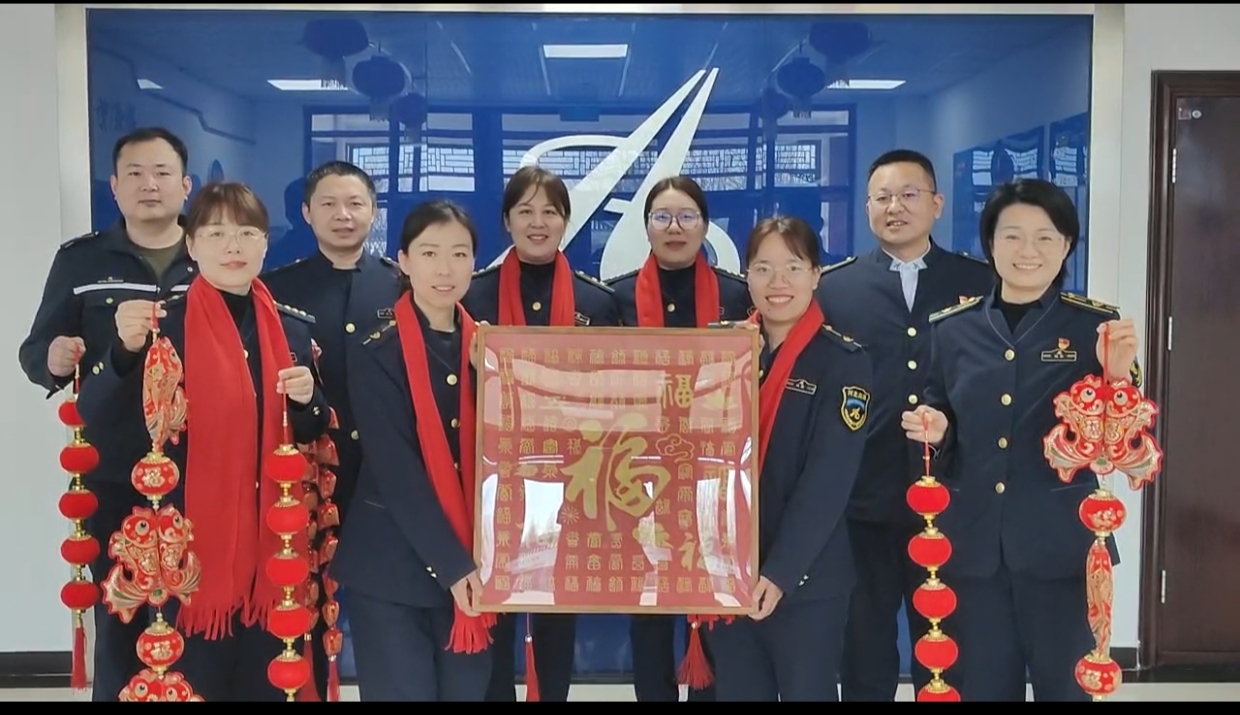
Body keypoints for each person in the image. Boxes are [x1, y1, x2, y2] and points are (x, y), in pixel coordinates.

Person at [76, 181, 332, 701]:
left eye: (247, 233)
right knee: (193, 682)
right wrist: (123, 353)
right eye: (216, 233)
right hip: (183, 555)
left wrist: (309, 402)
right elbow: (95, 417)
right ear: (191, 245)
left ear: (266, 243)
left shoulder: (291, 331)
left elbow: (309, 433)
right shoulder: (159, 327)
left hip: (273, 550)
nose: (233, 246)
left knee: (265, 681)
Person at [901, 178, 1140, 702]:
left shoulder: (1096, 327)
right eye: (1011, 235)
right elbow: (941, 408)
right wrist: (936, 429)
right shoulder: (954, 328)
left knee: (1066, 689)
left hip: (1062, 546)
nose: (1027, 251)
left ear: (1066, 246)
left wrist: (1119, 377)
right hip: (974, 546)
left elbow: (1122, 440)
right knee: (982, 688)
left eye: (1044, 237)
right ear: (990, 243)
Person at [18, 127, 196, 701]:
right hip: (114, 467)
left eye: (163, 173)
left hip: (200, 466)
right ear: (115, 187)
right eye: (135, 174)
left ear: (186, 185)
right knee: (121, 612)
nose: (150, 184)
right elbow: (35, 352)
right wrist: (51, 358)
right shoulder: (82, 260)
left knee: (199, 614)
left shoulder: (213, 253)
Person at [819, 149, 993, 701]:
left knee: (948, 651)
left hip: (952, 502)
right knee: (864, 650)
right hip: (862, 503)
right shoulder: (833, 288)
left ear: (937, 204)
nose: (894, 207)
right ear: (867, 208)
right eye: (882, 197)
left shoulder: (979, 283)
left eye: (908, 195)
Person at [463, 165, 618, 703]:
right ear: (506, 221)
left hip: (571, 480)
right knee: (494, 613)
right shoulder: (473, 297)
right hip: (492, 482)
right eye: (525, 211)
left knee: (558, 611)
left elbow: (614, 396)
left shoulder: (596, 303)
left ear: (566, 221)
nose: (538, 222)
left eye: (550, 211)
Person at [702, 216, 872, 701]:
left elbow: (828, 483)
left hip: (806, 581)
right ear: (746, 276)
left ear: (816, 275)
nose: (778, 282)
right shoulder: (722, 352)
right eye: (763, 268)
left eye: (793, 268)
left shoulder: (843, 361)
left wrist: (779, 574)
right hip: (727, 573)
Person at [329, 200, 493, 701]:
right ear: (403, 260)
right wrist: (454, 566)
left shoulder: (493, 351)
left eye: (459, 254)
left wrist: (492, 377)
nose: (445, 269)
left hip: (479, 566)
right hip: (393, 569)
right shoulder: (376, 350)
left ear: (474, 263)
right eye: (429, 253)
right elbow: (395, 468)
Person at [606, 175, 750, 702]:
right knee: (647, 612)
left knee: (713, 607)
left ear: (705, 227)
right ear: (645, 227)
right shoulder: (616, 298)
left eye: (687, 216)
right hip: (639, 477)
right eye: (662, 217)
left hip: (713, 477)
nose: (674, 228)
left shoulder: (737, 297)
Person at [262, 160, 402, 699]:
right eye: (328, 204)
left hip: (383, 480)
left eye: (355, 204)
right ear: (306, 213)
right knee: (305, 612)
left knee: (381, 617)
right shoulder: (276, 290)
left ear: (373, 212)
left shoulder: (402, 285)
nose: (343, 215)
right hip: (307, 478)